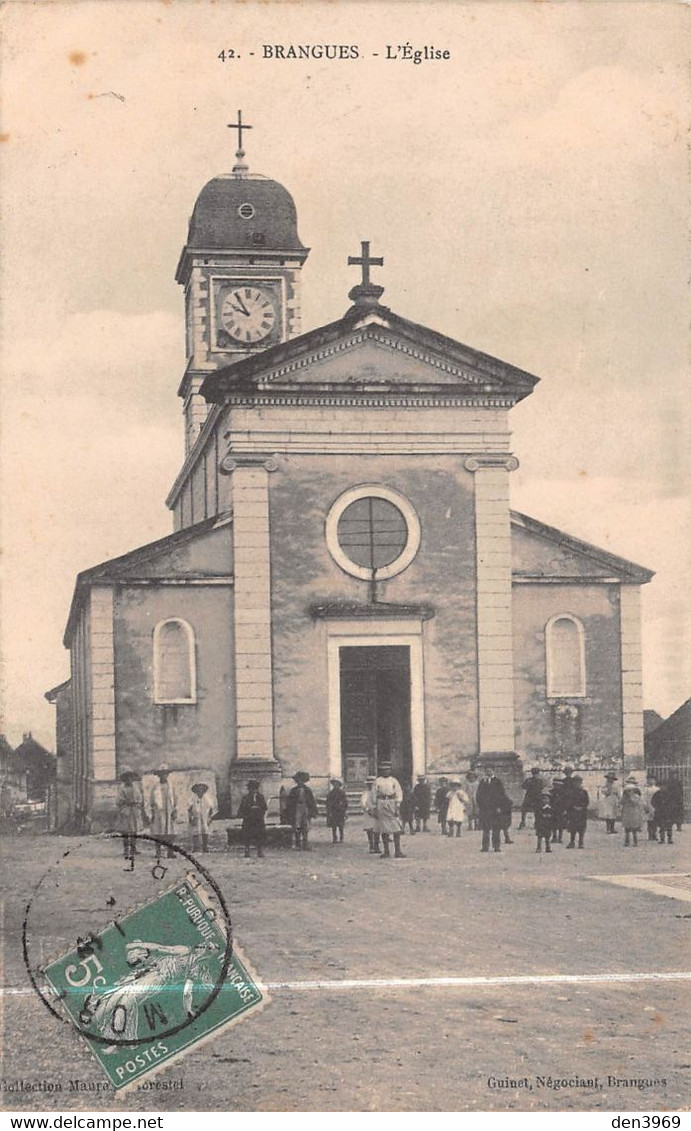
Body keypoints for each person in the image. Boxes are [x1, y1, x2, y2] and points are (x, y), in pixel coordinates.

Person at [374, 762, 405, 859]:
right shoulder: (377, 781)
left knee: (396, 828)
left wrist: (397, 805)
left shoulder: (393, 781)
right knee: (384, 829)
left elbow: (398, 793)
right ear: (381, 771)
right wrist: (374, 807)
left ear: (390, 770)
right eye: (383, 770)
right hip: (381, 804)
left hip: (392, 803)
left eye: (387, 769)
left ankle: (398, 851)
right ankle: (386, 851)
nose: (385, 771)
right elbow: (373, 795)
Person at [116, 767, 146, 869]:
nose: (129, 779)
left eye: (131, 777)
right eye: (127, 777)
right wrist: (127, 802)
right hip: (125, 810)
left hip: (134, 810)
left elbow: (140, 797)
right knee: (125, 830)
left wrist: (137, 802)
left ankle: (133, 848)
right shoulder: (122, 788)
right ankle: (126, 849)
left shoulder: (136, 787)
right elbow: (119, 800)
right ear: (124, 779)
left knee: (134, 830)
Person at [476, 767, 509, 853]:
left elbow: (502, 795)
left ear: (493, 771)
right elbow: (478, 795)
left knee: (496, 828)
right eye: (487, 771)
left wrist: (499, 807)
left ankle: (496, 846)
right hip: (485, 809)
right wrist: (481, 806)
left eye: (490, 771)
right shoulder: (482, 782)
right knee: (486, 829)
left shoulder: (498, 782)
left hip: (495, 809)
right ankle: (485, 846)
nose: (488, 772)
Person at [149, 764, 178, 860]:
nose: (163, 776)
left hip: (169, 811)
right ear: (158, 775)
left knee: (170, 832)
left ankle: (170, 852)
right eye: (161, 774)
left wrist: (175, 810)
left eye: (165, 774)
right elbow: (152, 801)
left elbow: (175, 799)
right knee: (158, 831)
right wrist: (152, 812)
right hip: (159, 812)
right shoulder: (155, 787)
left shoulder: (171, 786)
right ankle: (158, 852)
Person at [285, 771, 318, 850]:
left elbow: (311, 801)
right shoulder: (293, 790)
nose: (300, 782)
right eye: (298, 780)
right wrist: (289, 811)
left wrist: (313, 811)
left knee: (305, 826)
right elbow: (289, 802)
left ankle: (305, 843)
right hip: (297, 808)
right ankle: (297, 844)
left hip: (305, 807)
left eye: (301, 780)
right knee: (297, 826)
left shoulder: (307, 790)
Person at [237, 778, 267, 858]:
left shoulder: (260, 797)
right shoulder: (246, 798)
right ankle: (247, 850)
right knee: (247, 835)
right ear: (249, 789)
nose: (253, 790)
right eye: (251, 788)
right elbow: (241, 808)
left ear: (257, 789)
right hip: (249, 818)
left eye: (254, 788)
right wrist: (248, 810)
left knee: (259, 834)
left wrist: (259, 810)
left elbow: (264, 807)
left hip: (258, 819)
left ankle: (259, 851)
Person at [188, 782, 215, 853]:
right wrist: (190, 817)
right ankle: (195, 847)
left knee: (205, 830)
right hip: (196, 816)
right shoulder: (193, 798)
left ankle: (205, 847)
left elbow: (211, 807)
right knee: (195, 831)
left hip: (205, 816)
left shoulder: (206, 798)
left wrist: (210, 817)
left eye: (201, 790)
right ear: (196, 791)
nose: (200, 791)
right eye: (198, 790)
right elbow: (189, 808)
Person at [565, 774, 589, 848]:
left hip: (582, 812)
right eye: (575, 782)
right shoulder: (571, 792)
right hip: (573, 812)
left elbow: (587, 801)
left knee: (581, 828)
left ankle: (581, 842)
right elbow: (568, 801)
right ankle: (572, 842)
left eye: (578, 782)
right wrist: (573, 807)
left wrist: (582, 807)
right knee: (573, 828)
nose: (577, 784)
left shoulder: (584, 792)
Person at [621, 776, 645, 847]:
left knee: (634, 828)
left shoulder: (636, 796)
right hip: (627, 812)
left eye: (630, 790)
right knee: (627, 828)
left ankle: (635, 841)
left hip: (634, 812)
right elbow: (621, 802)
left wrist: (632, 798)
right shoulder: (625, 797)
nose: (629, 792)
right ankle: (627, 841)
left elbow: (638, 803)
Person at [360, 775, 380, 854]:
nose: (371, 786)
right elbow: (363, 803)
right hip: (368, 814)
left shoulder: (378, 793)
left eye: (372, 784)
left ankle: (377, 846)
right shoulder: (365, 793)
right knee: (369, 830)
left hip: (377, 813)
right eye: (369, 784)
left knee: (377, 830)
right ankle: (371, 846)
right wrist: (368, 810)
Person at [326, 778, 348, 844]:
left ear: (339, 785)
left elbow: (345, 802)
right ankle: (334, 838)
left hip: (340, 811)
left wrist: (344, 810)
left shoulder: (342, 793)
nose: (335, 786)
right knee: (334, 825)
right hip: (334, 811)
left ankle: (341, 837)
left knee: (341, 825)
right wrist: (329, 811)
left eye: (337, 784)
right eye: (334, 784)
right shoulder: (330, 793)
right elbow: (328, 803)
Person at [534, 787, 554, 853]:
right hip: (540, 825)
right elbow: (537, 816)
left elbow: (552, 816)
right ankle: (538, 847)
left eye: (546, 799)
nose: (545, 800)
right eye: (543, 799)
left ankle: (548, 847)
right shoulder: (539, 808)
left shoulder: (550, 808)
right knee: (539, 836)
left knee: (547, 836)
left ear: (549, 800)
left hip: (548, 825)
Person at [642, 774, 660, 841]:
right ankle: (650, 834)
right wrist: (645, 806)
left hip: (655, 806)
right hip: (648, 805)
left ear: (655, 781)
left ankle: (654, 834)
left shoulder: (657, 789)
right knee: (649, 821)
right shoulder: (646, 789)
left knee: (655, 820)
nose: (650, 781)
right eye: (649, 780)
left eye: (652, 780)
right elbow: (643, 798)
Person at [549, 777, 566, 844]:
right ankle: (554, 837)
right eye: (555, 785)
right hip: (553, 810)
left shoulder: (563, 793)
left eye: (558, 785)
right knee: (553, 824)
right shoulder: (551, 792)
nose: (557, 786)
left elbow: (565, 802)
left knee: (561, 825)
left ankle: (560, 838)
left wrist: (565, 809)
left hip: (560, 810)